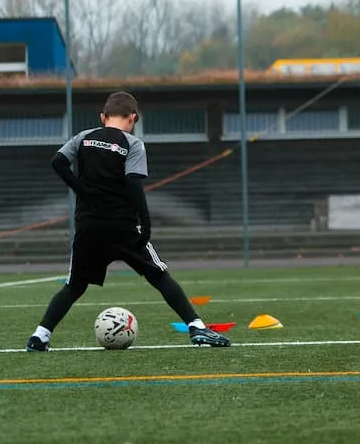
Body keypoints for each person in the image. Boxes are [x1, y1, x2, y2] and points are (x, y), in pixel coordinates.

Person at [25, 91, 231, 351]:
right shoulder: (133, 143)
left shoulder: (83, 138)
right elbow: (134, 183)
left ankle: (39, 336)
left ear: (103, 117)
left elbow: (58, 162)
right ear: (133, 118)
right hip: (123, 226)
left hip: (89, 226)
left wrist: (82, 189)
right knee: (159, 275)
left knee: (74, 285)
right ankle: (197, 328)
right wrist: (145, 221)